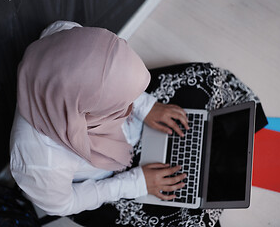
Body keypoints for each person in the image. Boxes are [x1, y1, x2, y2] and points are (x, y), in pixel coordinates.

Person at [10, 21, 190, 217]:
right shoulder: (40, 164)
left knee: (211, 82)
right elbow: (65, 204)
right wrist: (135, 183)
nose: (129, 108)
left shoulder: (63, 34)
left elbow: (99, 76)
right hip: (104, 178)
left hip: (122, 132)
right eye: (122, 104)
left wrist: (146, 105)